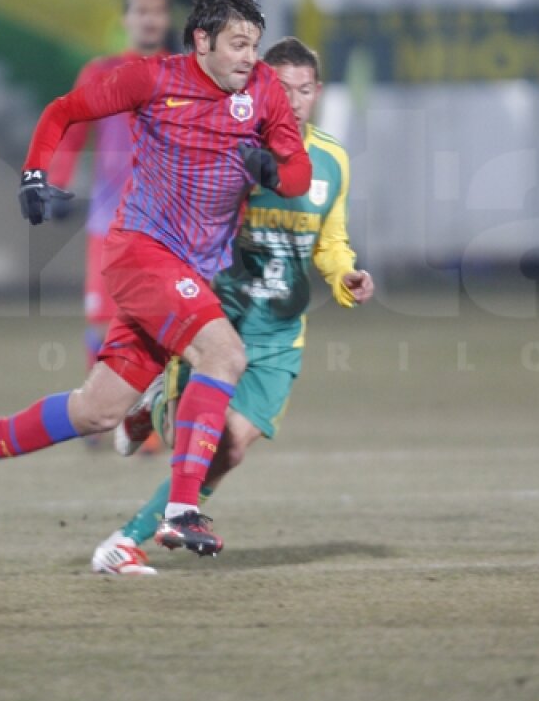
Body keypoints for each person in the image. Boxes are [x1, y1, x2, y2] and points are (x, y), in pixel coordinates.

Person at [0, 0, 312, 557]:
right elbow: (65, 110)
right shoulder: (153, 78)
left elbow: (299, 174)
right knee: (225, 354)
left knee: (98, 410)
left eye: (254, 44)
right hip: (140, 252)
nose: (249, 58)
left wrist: (270, 169)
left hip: (188, 271)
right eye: (238, 44)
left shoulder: (262, 90)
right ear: (202, 40)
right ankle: (183, 509)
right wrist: (35, 174)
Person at [91, 37, 375, 575]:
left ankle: (126, 542)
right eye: (283, 87)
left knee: (230, 451)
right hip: (217, 319)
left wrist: (345, 276)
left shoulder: (332, 160)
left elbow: (329, 240)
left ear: (318, 93)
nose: (292, 101)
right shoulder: (230, 144)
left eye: (305, 89)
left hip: (280, 335)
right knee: (195, 439)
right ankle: (149, 407)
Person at [46, 0, 172, 374]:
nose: (149, 19)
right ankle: (98, 411)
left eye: (157, 11)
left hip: (167, 222)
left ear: (166, 19)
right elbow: (70, 128)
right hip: (110, 219)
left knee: (164, 322)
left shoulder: (184, 73)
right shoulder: (101, 72)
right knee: (103, 322)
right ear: (126, 20)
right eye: (141, 11)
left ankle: (144, 421)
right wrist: (56, 181)